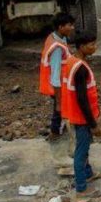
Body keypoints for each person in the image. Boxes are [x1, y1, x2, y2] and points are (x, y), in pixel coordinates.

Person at [61, 30, 101, 202]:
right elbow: (82, 98)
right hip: (81, 118)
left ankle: (88, 174)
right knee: (81, 151)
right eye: (91, 44)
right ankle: (81, 189)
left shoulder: (72, 61)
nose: (94, 47)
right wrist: (93, 123)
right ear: (81, 46)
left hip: (74, 114)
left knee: (84, 147)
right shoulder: (80, 69)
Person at [38, 12, 75, 140]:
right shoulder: (57, 49)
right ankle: (55, 133)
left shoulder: (56, 37)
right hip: (58, 86)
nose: (72, 28)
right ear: (61, 27)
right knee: (59, 109)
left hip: (62, 83)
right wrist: (59, 99)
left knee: (60, 110)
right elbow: (55, 76)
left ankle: (57, 130)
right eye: (69, 25)